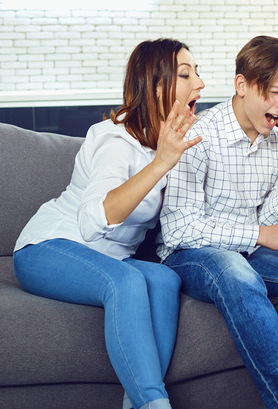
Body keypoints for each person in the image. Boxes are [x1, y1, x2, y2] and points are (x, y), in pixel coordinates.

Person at [13, 38, 205, 409]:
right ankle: (155, 403)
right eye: (186, 74)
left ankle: (137, 401)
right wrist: (161, 164)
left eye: (197, 73)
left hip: (110, 256)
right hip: (49, 246)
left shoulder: (169, 145)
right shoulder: (115, 140)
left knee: (164, 278)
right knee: (127, 281)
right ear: (155, 85)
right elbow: (92, 221)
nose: (199, 83)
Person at [158, 36, 278, 409]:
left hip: (249, 251)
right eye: (273, 91)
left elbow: (263, 218)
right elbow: (179, 228)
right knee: (233, 270)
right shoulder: (198, 135)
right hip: (192, 255)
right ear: (241, 85)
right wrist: (262, 234)